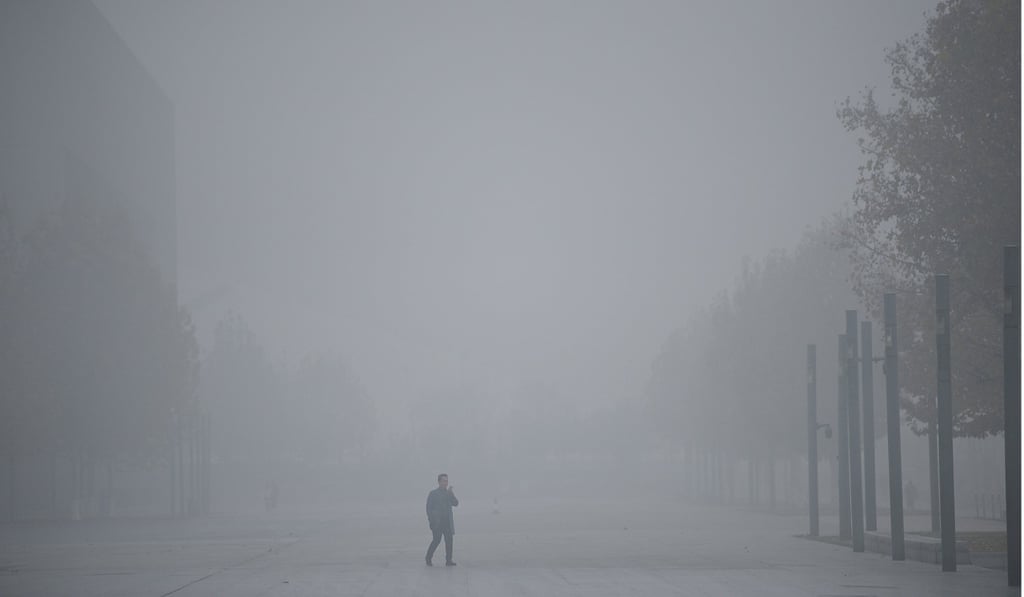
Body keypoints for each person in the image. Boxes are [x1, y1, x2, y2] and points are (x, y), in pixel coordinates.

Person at [425, 473, 459, 566]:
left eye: (447, 481)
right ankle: (428, 557)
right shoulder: (433, 493)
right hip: (437, 522)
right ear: (439, 482)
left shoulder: (448, 493)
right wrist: (431, 520)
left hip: (447, 521)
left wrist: (451, 494)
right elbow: (428, 508)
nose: (446, 482)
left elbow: (456, 503)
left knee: (449, 540)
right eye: (444, 480)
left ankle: (448, 560)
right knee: (436, 540)